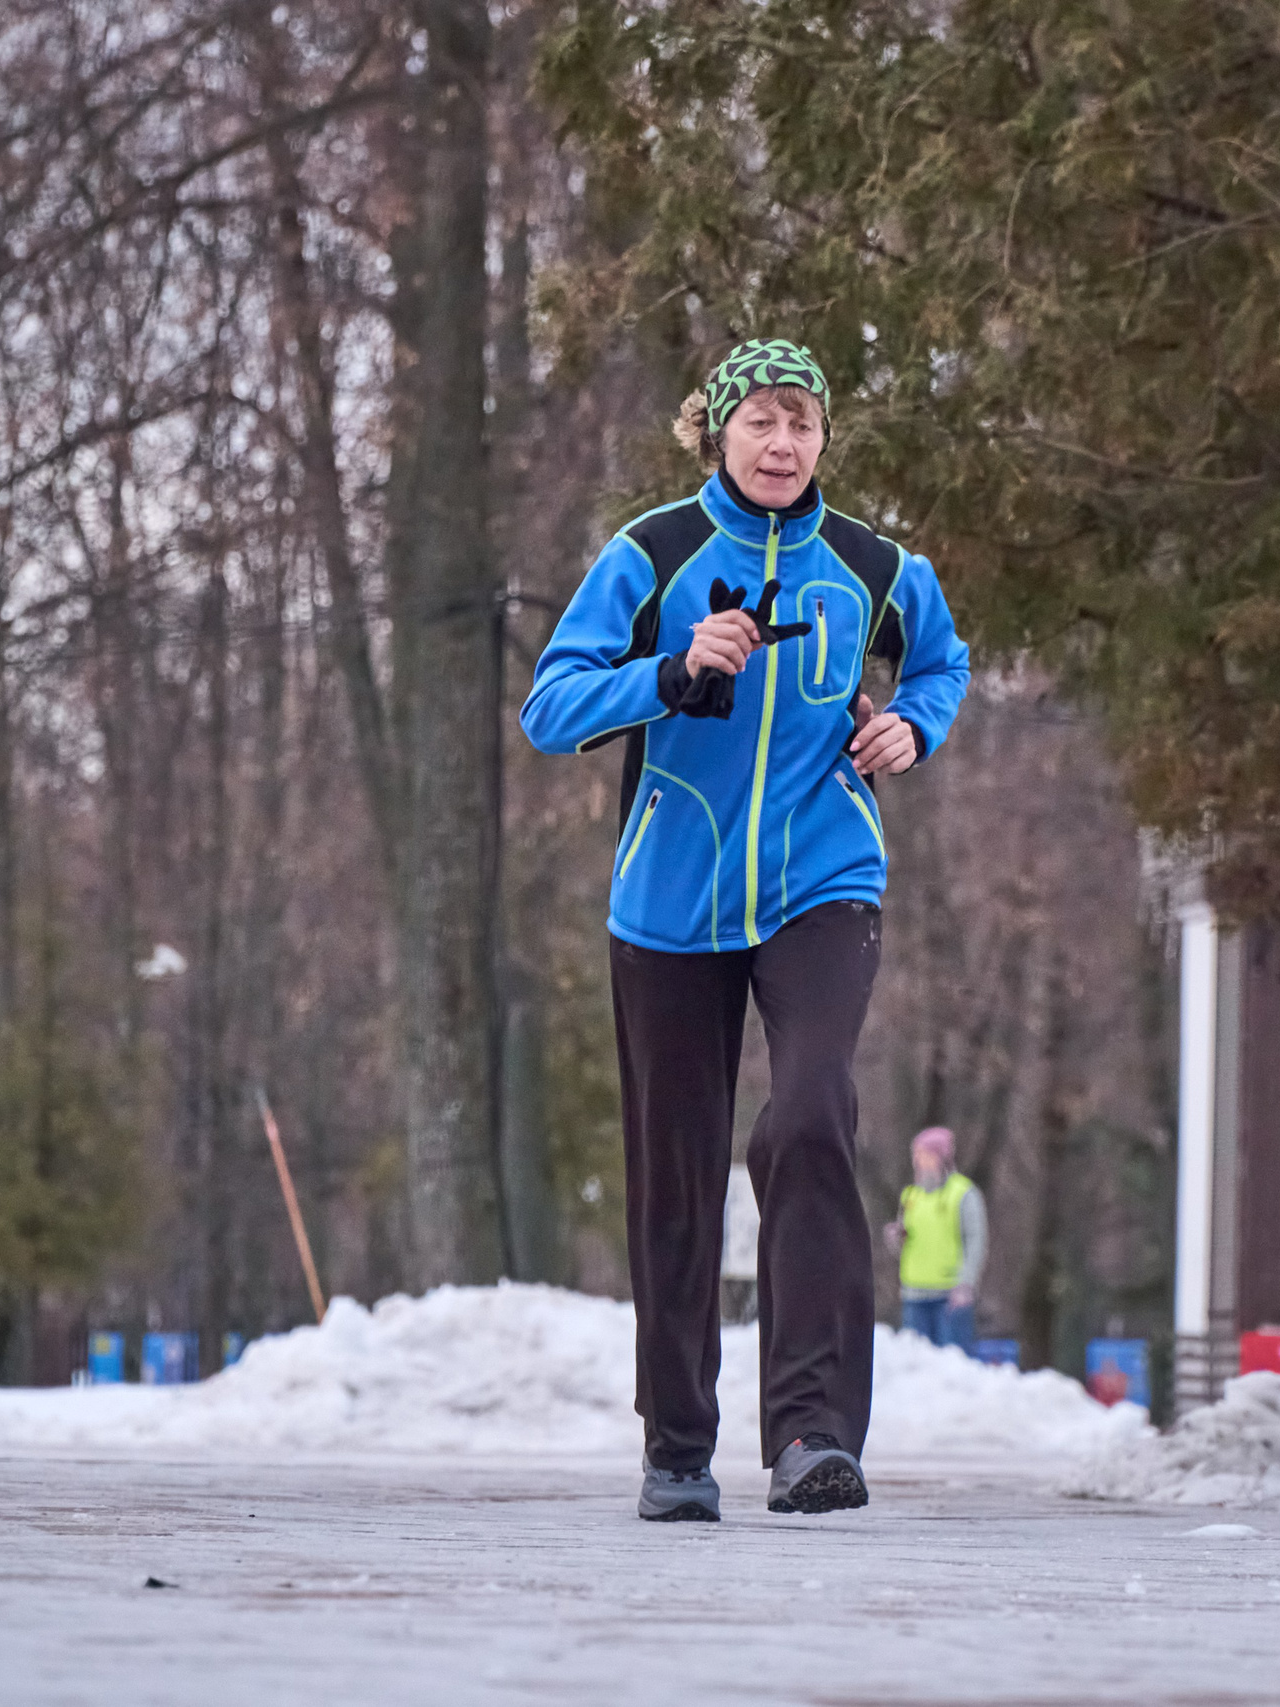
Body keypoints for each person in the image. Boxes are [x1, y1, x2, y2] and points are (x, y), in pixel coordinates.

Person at [522, 339, 970, 1521]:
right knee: (676, 1172)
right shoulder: (654, 552)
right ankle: (677, 1447)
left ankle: (815, 1434)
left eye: (803, 425)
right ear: (716, 430)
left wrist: (911, 729)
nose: (783, 445)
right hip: (670, 898)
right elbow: (549, 706)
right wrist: (668, 672)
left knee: (813, 1112)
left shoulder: (870, 565)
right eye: (762, 422)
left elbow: (942, 659)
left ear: (825, 440)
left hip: (825, 876)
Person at [884, 1127, 986, 1352]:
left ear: (942, 1157)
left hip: (949, 1298)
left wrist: (966, 1284)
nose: (918, 1161)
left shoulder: (964, 1194)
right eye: (916, 1155)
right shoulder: (911, 1195)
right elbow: (906, 1247)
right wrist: (896, 1238)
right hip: (914, 1296)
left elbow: (976, 1240)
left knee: (952, 1369)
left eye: (924, 1154)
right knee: (917, 1370)